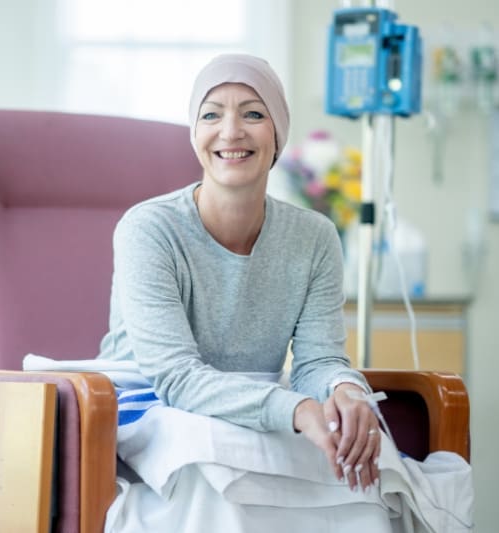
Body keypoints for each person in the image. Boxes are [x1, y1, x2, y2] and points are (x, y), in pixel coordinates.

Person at [97, 53, 381, 493]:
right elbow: (174, 377)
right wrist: (298, 410)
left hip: (247, 413)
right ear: (196, 134)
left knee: (365, 467)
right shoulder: (148, 229)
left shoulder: (315, 237)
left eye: (252, 113)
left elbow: (319, 362)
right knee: (221, 471)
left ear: (277, 134)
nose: (231, 132)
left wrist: (344, 390)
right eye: (211, 115)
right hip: (146, 413)